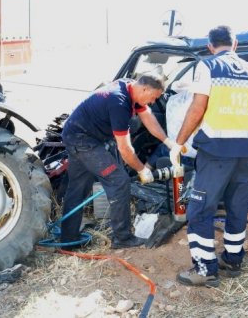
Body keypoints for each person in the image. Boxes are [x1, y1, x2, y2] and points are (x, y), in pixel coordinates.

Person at [172, 25, 248, 287]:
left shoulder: (208, 65)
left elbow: (198, 106)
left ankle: (205, 269)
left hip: (217, 151)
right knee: (237, 208)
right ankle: (233, 260)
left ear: (211, 46)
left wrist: (178, 143)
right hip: (246, 150)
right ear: (235, 44)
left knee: (200, 210)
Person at [60, 73, 177, 249]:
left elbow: (148, 117)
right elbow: (125, 149)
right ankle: (122, 238)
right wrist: (141, 170)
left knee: (78, 187)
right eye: (153, 97)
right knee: (119, 181)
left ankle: (68, 240)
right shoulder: (119, 102)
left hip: (80, 136)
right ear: (145, 89)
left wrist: (168, 142)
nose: (153, 101)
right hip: (82, 140)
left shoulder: (131, 88)